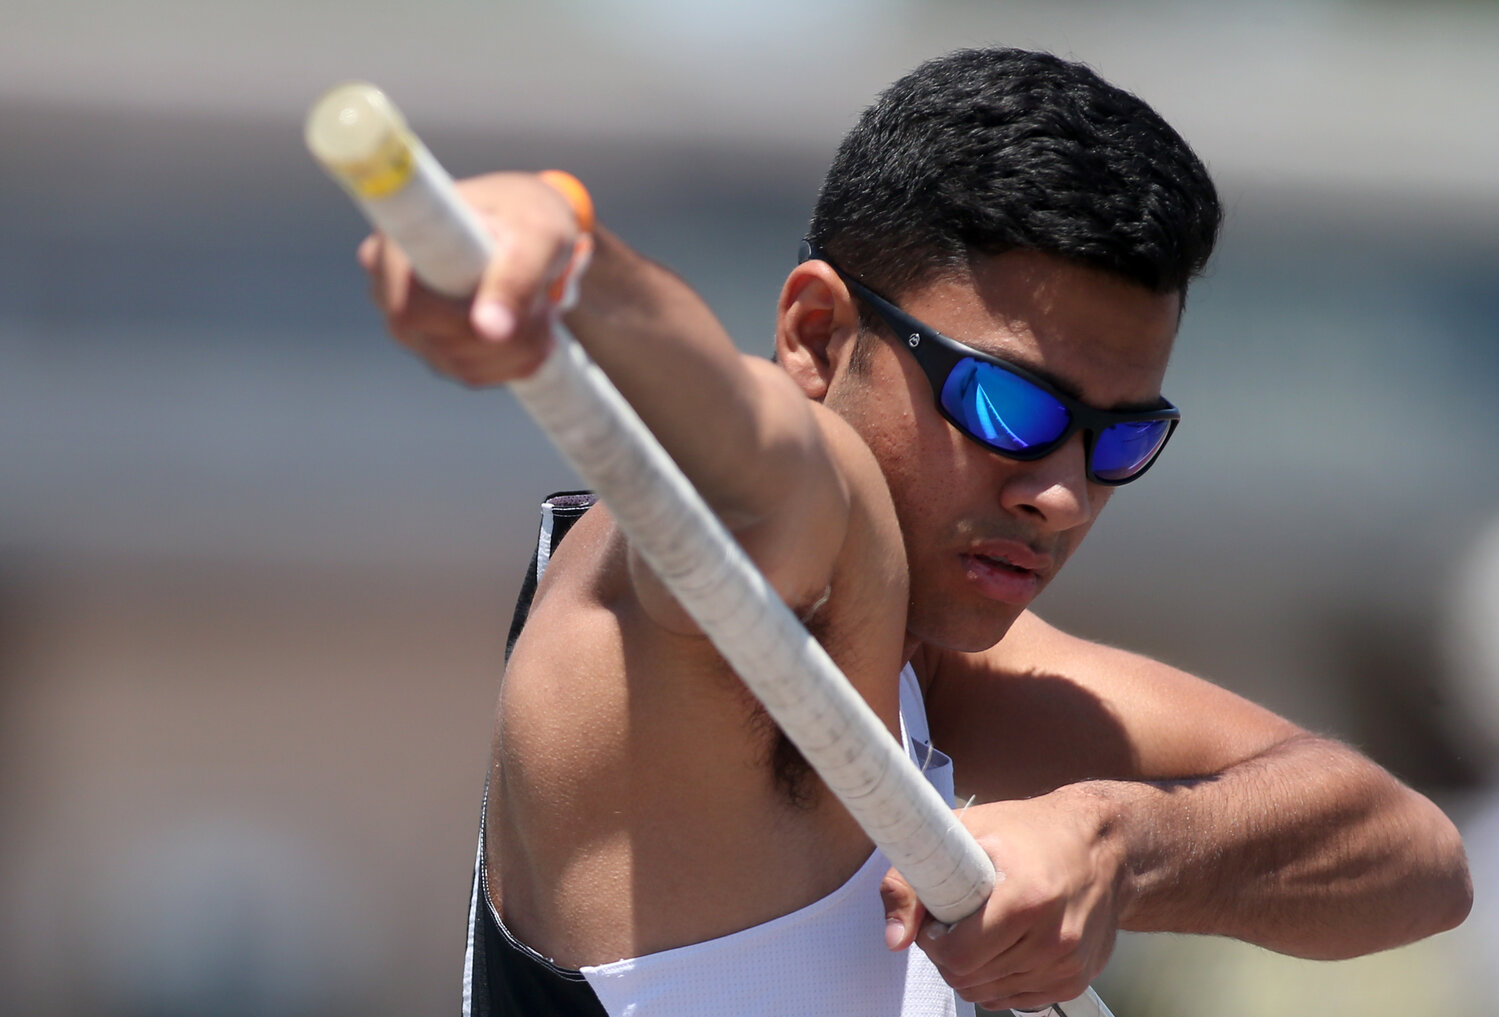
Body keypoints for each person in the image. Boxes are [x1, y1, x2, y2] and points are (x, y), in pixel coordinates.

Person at [360, 48, 1472, 1017]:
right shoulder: (763, 566)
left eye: (1118, 442)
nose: (1063, 496)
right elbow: (750, 452)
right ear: (814, 334)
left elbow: (1411, 858)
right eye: (1009, 409)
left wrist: (1118, 848)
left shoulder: (924, 659)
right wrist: (570, 261)